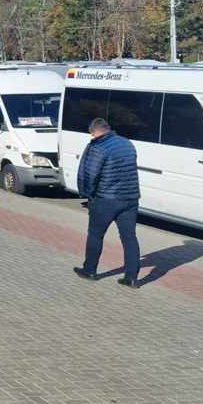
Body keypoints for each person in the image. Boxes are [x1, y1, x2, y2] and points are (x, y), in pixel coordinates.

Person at [74, 117, 142, 288]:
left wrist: (87, 195)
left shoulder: (99, 147)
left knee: (96, 234)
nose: (91, 137)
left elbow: (90, 174)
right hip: (130, 199)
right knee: (129, 238)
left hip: (106, 200)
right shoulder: (127, 143)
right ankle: (131, 277)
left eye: (91, 134)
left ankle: (89, 270)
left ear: (95, 131)